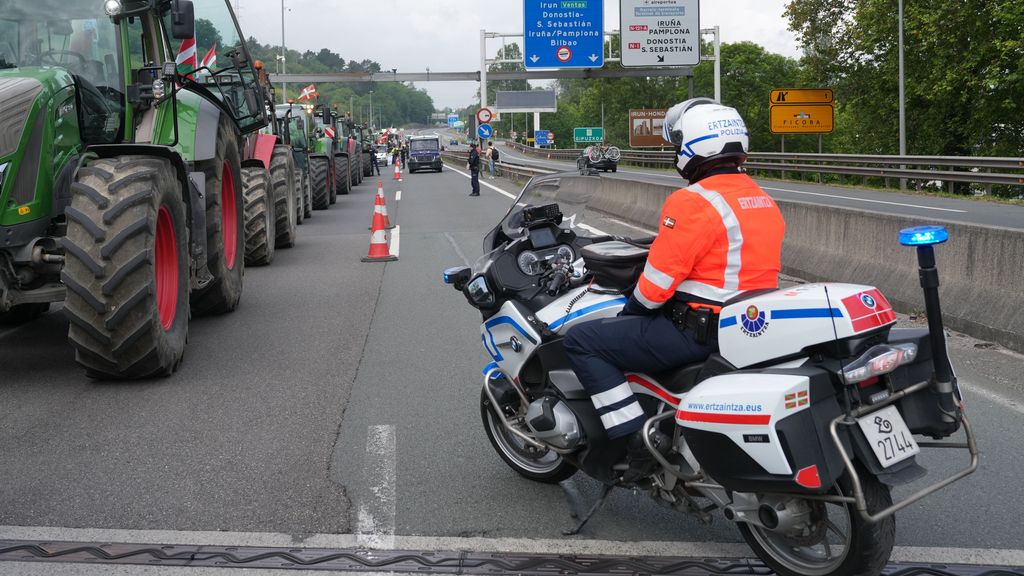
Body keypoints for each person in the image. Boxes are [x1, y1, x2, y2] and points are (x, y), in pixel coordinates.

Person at [563, 98, 786, 483]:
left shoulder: (693, 201)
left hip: (698, 331)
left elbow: (656, 286)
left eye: (677, 143)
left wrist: (630, 312)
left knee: (585, 339)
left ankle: (631, 438)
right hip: (751, 327)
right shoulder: (760, 198)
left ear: (694, 145)